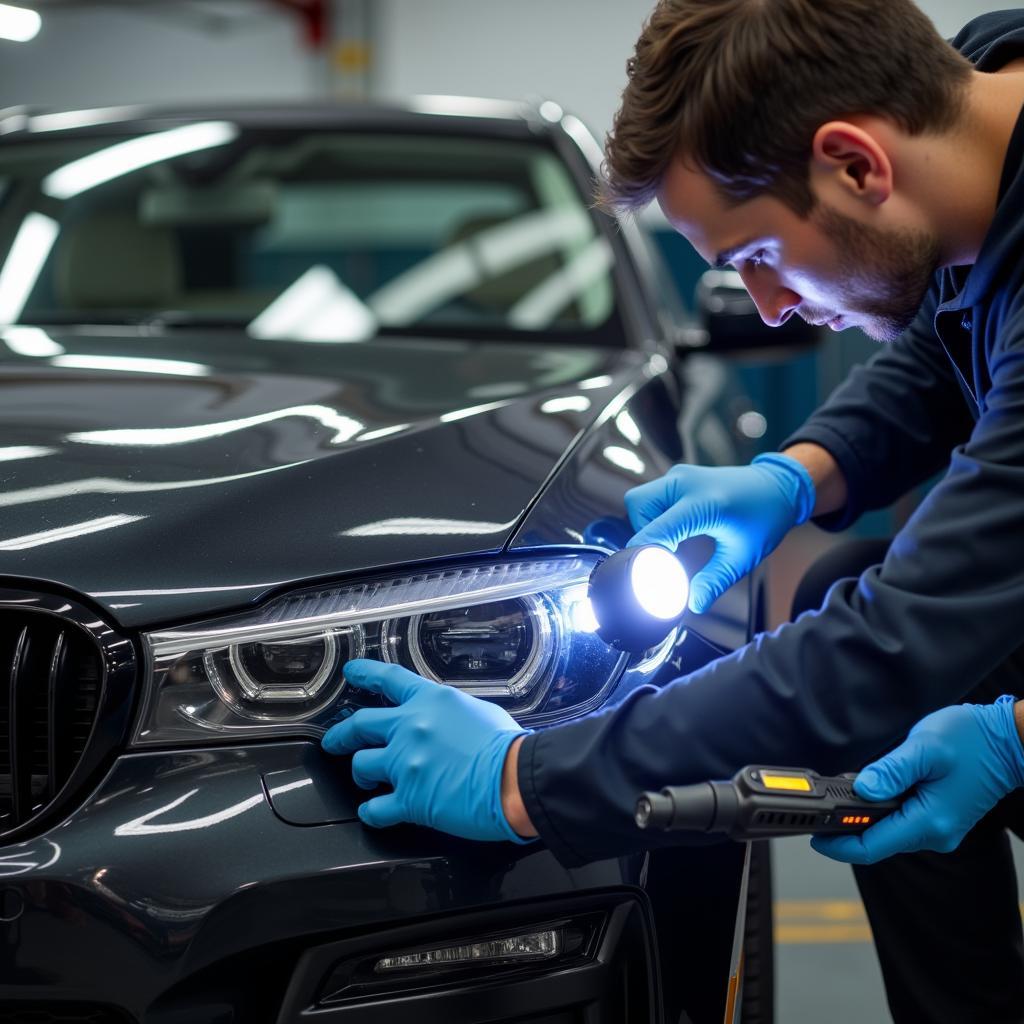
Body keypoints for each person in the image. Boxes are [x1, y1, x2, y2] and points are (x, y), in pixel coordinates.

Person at [322, 4, 1024, 1021]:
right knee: (839, 589)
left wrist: (524, 779)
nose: (771, 307)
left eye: (760, 257)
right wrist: (796, 474)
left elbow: (879, 654)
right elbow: (941, 333)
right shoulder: (979, 93)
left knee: (891, 677)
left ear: (855, 166)